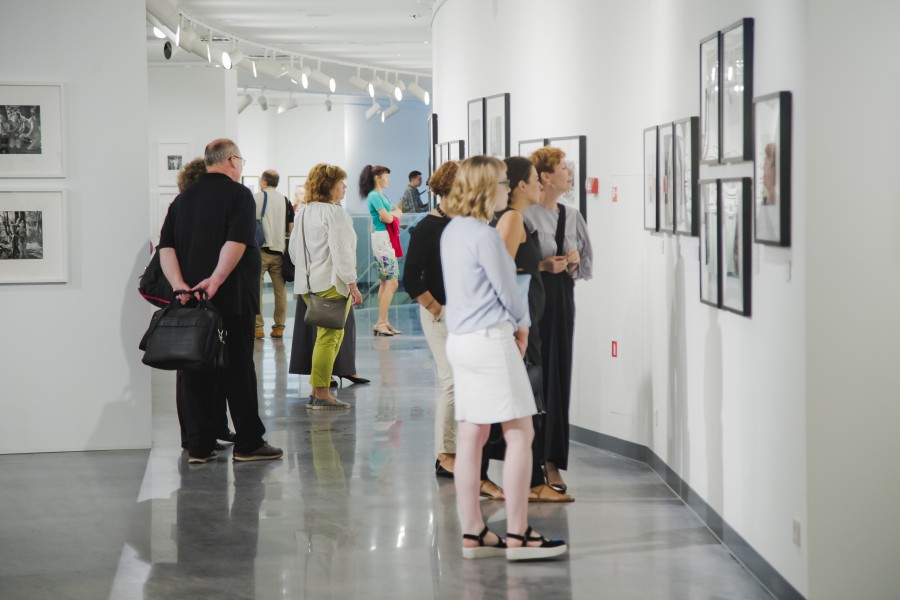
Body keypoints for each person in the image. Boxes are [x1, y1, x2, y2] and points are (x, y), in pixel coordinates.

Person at [442, 155, 567, 561]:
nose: (505, 189)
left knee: (472, 436)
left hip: (461, 341)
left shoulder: (453, 231)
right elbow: (509, 290)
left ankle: (474, 531)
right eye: (500, 182)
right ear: (484, 188)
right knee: (520, 433)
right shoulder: (484, 236)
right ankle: (518, 533)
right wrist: (523, 326)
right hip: (490, 341)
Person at [158, 138, 282, 464]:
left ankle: (199, 446)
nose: (240, 166)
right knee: (238, 369)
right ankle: (248, 443)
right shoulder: (239, 194)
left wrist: (180, 286)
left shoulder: (183, 199)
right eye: (241, 160)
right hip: (231, 298)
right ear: (230, 160)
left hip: (191, 301)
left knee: (195, 369)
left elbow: (166, 247)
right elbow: (236, 242)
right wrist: (215, 280)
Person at [493, 156, 574, 502]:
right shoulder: (512, 219)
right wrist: (518, 325)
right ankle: (531, 484)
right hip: (520, 325)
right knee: (525, 406)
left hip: (526, 323)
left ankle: (532, 481)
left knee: (526, 405)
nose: (541, 186)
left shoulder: (515, 218)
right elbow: (501, 276)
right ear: (521, 186)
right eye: (534, 180)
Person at [525, 147, 593, 493]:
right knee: (534, 379)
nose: (569, 172)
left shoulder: (573, 214)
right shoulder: (525, 216)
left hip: (562, 302)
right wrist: (542, 265)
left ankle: (552, 462)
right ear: (545, 177)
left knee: (559, 378)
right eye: (563, 167)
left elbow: (586, 267)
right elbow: (511, 264)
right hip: (532, 302)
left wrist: (574, 261)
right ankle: (530, 462)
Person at [288, 163, 363, 409]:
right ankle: (321, 394)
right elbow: (342, 253)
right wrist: (352, 284)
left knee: (325, 336)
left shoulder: (304, 212)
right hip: (332, 282)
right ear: (329, 186)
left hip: (310, 283)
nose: (344, 187)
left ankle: (316, 389)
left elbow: (294, 251)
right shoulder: (335, 213)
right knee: (329, 338)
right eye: (341, 183)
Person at [359, 165, 402, 336]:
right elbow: (387, 217)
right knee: (392, 283)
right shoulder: (374, 195)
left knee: (386, 282)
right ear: (377, 178)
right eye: (386, 176)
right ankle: (381, 322)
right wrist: (393, 214)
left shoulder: (381, 195)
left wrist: (393, 214)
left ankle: (383, 321)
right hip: (383, 240)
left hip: (386, 239)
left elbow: (396, 213)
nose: (389, 180)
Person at [253, 169, 293, 339]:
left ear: (263, 181)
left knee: (257, 290)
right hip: (280, 252)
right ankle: (279, 327)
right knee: (280, 291)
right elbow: (291, 228)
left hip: (260, 251)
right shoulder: (285, 200)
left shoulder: (256, 198)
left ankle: (258, 328)